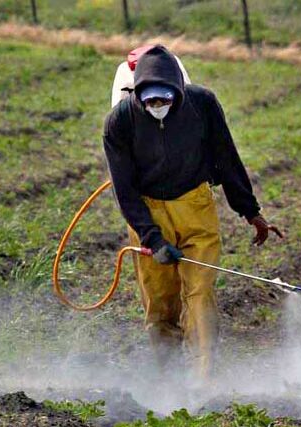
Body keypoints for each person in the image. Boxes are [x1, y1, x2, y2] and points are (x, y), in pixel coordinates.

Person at [102, 44, 283, 381]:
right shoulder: (119, 122)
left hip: (195, 205)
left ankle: (203, 380)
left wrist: (251, 211)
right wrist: (152, 239)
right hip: (147, 211)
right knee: (160, 301)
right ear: (137, 96)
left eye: (165, 100)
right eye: (151, 101)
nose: (158, 106)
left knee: (199, 293)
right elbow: (124, 192)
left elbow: (227, 158)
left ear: (179, 92)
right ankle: (169, 379)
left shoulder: (203, 105)